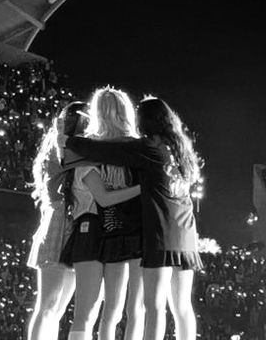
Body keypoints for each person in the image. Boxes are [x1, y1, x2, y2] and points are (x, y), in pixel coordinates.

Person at [60, 96, 203, 340]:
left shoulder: (148, 148)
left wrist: (69, 140)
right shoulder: (180, 149)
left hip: (162, 234)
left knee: (154, 306)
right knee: (182, 307)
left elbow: (105, 150)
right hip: (187, 233)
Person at [59, 90, 142, 340]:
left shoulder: (87, 149)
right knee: (93, 310)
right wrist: (144, 188)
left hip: (109, 231)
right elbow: (103, 197)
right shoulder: (90, 153)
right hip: (98, 229)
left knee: (109, 310)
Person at [26, 102, 87, 340]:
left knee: (58, 309)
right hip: (59, 223)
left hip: (73, 224)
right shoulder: (60, 147)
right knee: (48, 305)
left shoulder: (68, 146)